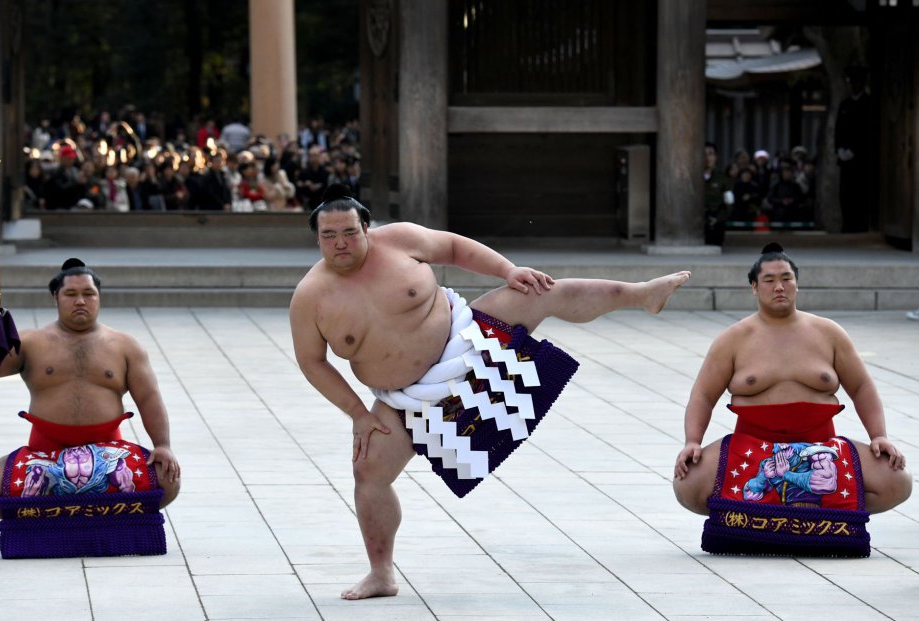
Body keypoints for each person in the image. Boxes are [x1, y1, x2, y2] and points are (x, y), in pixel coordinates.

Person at [289, 185, 691, 600]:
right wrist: (358, 412)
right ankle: (381, 572)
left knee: (539, 290)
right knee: (368, 474)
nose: (340, 243)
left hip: (468, 340)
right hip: (407, 396)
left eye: (349, 233)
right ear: (316, 238)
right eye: (329, 236)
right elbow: (311, 361)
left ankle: (642, 294)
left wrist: (507, 271)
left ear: (367, 228)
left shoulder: (401, 240)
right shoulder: (310, 298)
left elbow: (454, 247)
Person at [673, 243, 910, 516]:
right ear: (754, 287)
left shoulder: (829, 333)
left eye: (787, 279)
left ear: (797, 284)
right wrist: (692, 441)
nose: (779, 287)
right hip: (752, 450)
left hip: (820, 452)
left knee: (897, 481)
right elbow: (703, 395)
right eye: (769, 280)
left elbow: (861, 387)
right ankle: (772, 512)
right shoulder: (732, 339)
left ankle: (807, 514)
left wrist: (879, 436)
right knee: (688, 484)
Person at [0, 259, 181, 518]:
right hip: (44, 453)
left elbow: (149, 398)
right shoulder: (30, 342)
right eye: (71, 294)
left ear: (99, 297)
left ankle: (85, 518)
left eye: (88, 294)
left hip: (110, 455)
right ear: (55, 298)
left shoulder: (126, 346)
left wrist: (162, 444)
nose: (80, 300)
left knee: (167, 479)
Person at [835, 65, 873, 233]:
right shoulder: (845, 105)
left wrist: (856, 150)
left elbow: (869, 132)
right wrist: (839, 150)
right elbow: (838, 130)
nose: (854, 85)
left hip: (862, 159)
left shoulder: (869, 104)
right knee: (845, 194)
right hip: (845, 157)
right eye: (852, 82)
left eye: (857, 81)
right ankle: (847, 225)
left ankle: (861, 226)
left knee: (861, 193)